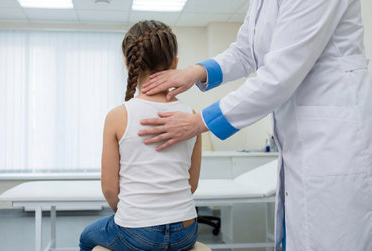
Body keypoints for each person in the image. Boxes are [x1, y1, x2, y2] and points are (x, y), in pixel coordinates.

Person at [138, 0, 372, 250]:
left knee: (331, 236)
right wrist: (195, 71)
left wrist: (199, 122)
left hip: (334, 140)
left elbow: (280, 75)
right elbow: (244, 51)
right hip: (304, 140)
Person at [79, 20, 202, 251]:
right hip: (186, 230)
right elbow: (191, 184)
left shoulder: (117, 116)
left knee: (87, 237)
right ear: (175, 64)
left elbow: (109, 189)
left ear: (128, 64)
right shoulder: (192, 117)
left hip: (137, 233)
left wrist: (131, 215)